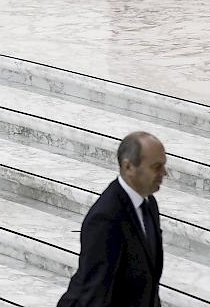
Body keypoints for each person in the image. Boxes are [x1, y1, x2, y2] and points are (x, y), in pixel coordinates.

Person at [57, 131, 167, 307]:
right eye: (156, 167)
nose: (164, 172)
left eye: (163, 165)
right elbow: (95, 293)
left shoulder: (149, 204)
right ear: (128, 167)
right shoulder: (105, 218)